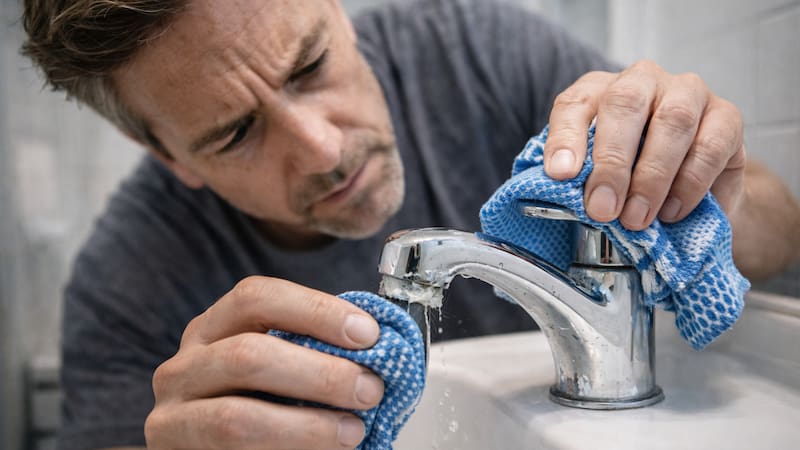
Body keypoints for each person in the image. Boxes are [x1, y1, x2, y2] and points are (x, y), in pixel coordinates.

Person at [20, 0, 800, 448]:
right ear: (161, 151)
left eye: (310, 64)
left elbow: (782, 232)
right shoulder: (125, 288)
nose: (324, 149)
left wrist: (693, 199)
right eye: (234, 134)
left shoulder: (484, 55)